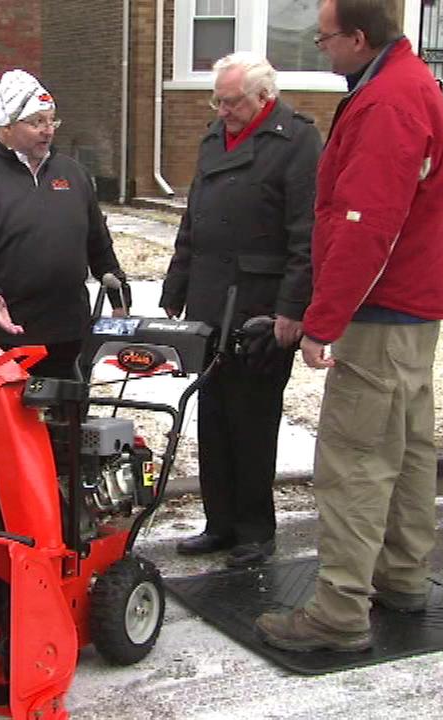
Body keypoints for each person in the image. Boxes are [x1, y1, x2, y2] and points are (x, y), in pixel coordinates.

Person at [254, 0, 443, 653]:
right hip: (411, 311)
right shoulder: (405, 83)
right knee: (405, 450)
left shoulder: (386, 104)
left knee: (355, 459)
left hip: (380, 313)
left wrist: (324, 322)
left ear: (360, 37)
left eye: (326, 39)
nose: (322, 50)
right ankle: (402, 577)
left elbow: (365, 225)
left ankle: (339, 612)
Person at [0, 69, 129, 528]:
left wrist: (116, 285)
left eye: (51, 120)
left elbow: (97, 240)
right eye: (35, 121)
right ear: (6, 126)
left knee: (66, 425)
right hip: (3, 334)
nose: (47, 130)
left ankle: (62, 508)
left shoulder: (72, 175)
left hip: (66, 329)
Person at [160, 52, 320, 568]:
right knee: (212, 416)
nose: (221, 110)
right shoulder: (213, 137)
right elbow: (194, 220)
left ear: (263, 99)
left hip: (259, 304)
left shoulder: (295, 141)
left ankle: (255, 530)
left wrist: (292, 310)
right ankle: (220, 521)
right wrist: (174, 290)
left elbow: (306, 234)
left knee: (251, 420)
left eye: (231, 102)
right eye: (218, 100)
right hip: (210, 299)